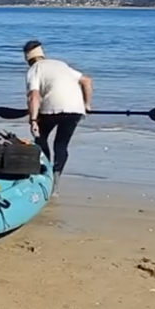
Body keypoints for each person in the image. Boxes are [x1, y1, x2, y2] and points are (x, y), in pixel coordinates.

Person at [22, 39, 92, 194]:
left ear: (27, 58)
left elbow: (34, 96)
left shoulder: (34, 69)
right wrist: (87, 105)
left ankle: (45, 174)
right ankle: (56, 181)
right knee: (61, 145)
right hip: (75, 109)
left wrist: (33, 120)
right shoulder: (60, 64)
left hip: (52, 109)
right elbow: (86, 81)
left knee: (41, 138)